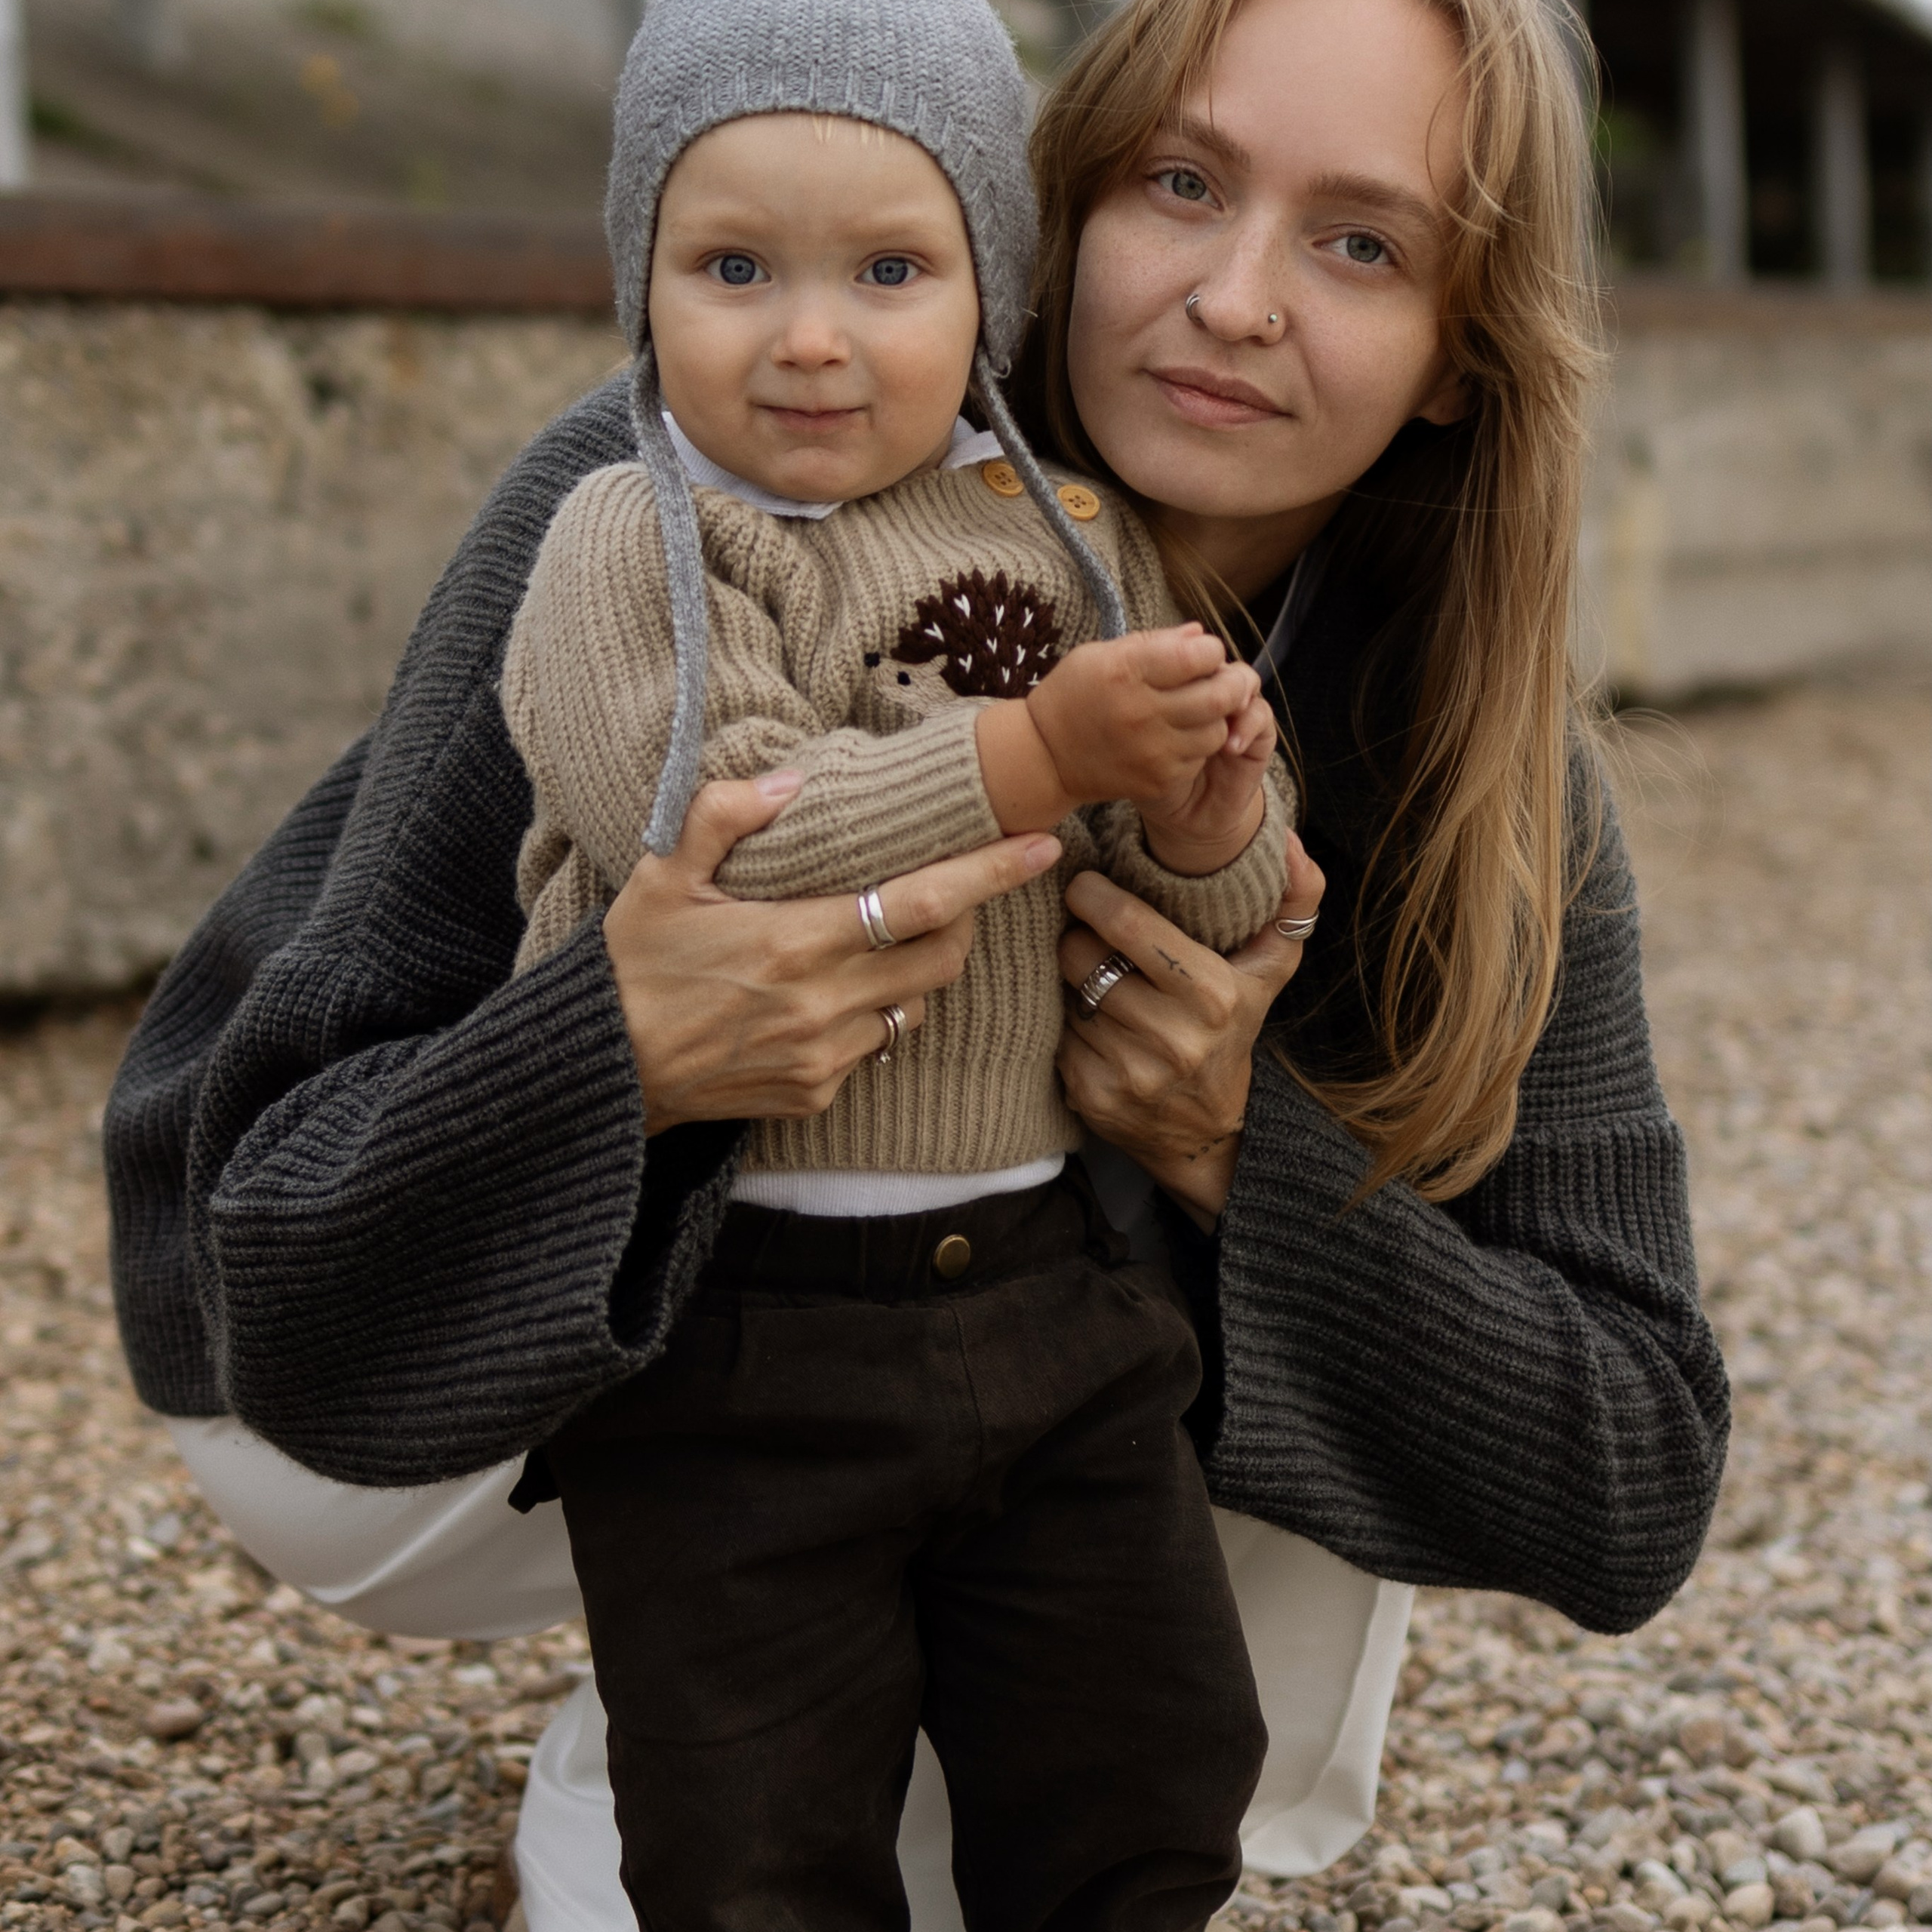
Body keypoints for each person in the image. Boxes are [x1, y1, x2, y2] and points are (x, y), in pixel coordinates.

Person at [105, 0, 1730, 1924]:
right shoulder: (686, 483)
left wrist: (1234, 1153)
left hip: (981, 1356)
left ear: (1459, 348)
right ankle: (699, 1730)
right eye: (1180, 183)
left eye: (1359, 242)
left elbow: (1630, 1470)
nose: (1230, 301)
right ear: (1058, 206)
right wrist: (615, 1047)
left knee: (1267, 1359)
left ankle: (828, 1722)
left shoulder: (1481, 768)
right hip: (380, 1360)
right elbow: (289, 1279)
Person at [503, 0, 1294, 1919]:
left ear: (988, 290)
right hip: (732, 1320)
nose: (806, 334)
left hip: (1045, 1286)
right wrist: (1038, 752)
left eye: (886, 269)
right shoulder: (635, 536)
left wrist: (1206, 827)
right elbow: (727, 829)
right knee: (753, 1821)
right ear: (637, 284)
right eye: (731, 267)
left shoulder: (1065, 534)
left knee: (1144, 1760)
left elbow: (1179, 918)